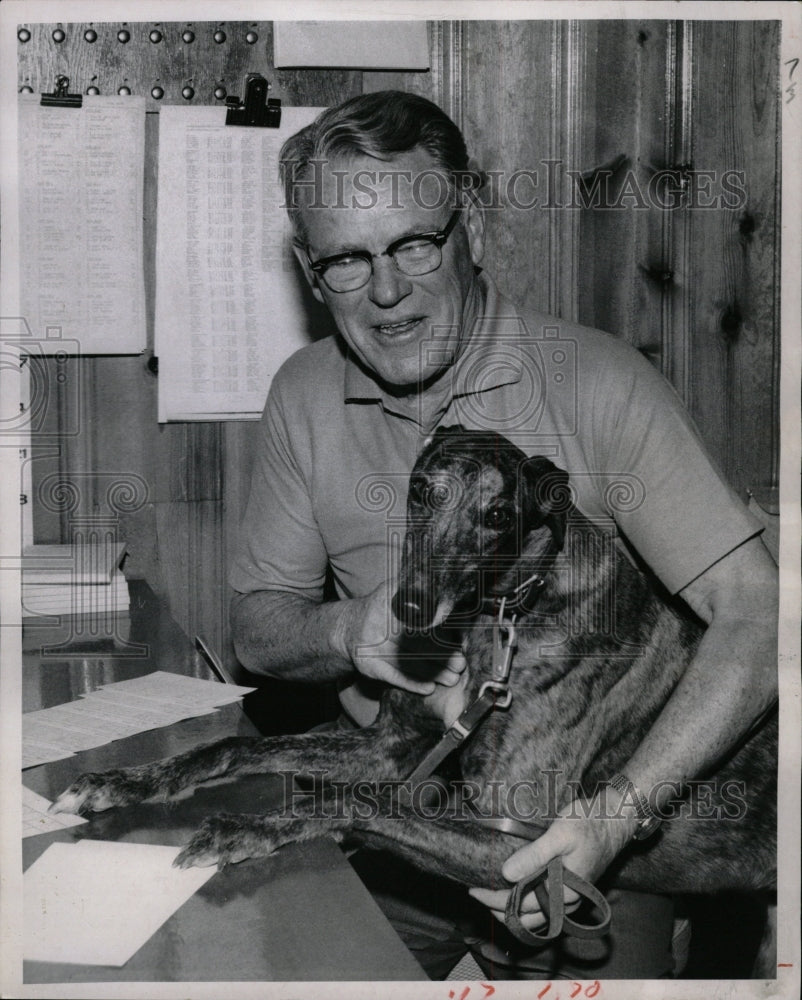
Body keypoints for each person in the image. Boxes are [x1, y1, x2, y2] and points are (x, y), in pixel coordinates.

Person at [229, 91, 777, 980]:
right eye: (345, 261)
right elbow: (256, 629)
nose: (388, 291)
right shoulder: (301, 395)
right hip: (395, 804)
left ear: (470, 224)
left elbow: (759, 612)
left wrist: (612, 817)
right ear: (306, 268)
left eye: (415, 242)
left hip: (595, 846)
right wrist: (345, 629)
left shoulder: (600, 383)